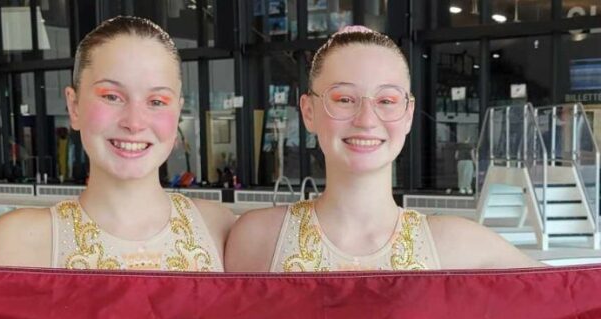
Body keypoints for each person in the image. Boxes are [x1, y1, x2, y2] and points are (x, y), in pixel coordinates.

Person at [225, 25, 541, 272]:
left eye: (386, 101)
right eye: (344, 99)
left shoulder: (460, 247)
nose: (366, 119)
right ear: (309, 112)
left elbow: (571, 304)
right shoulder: (258, 239)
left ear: (408, 114)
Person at [0, 16, 234, 271]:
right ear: (74, 106)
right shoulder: (18, 243)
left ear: (177, 112)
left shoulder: (221, 231)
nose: (134, 122)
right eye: (112, 96)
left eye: (156, 102)